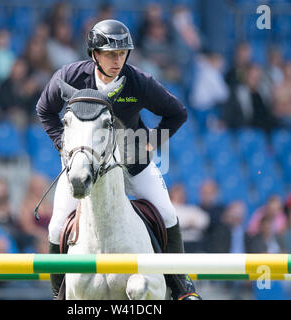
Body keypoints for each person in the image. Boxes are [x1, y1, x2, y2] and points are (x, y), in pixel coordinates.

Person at [36, 19, 200, 300]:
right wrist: (63, 144)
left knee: (168, 214)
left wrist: (153, 141)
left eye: (122, 54)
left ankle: (182, 288)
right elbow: (44, 110)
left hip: (133, 164)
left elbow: (178, 112)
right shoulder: (70, 77)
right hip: (85, 166)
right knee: (56, 226)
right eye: (111, 54)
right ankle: (58, 294)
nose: (117, 60)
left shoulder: (138, 81)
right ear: (94, 54)